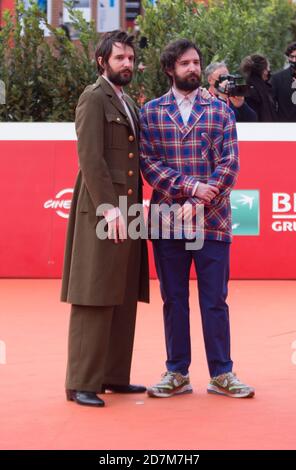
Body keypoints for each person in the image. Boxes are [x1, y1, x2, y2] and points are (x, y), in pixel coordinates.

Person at [140, 39, 254, 399]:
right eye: (185, 63)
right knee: (173, 299)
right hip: (167, 221)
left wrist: (205, 197)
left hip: (214, 220)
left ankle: (222, 373)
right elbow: (149, 164)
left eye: (196, 62)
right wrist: (191, 188)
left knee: (215, 300)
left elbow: (230, 164)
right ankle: (176, 372)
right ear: (169, 69)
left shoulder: (220, 111)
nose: (192, 68)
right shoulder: (152, 112)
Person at [61, 30, 149, 407]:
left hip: (129, 209)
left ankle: (113, 376)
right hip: (104, 209)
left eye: (130, 58)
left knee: (123, 292)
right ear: (102, 61)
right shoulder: (94, 97)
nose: (127, 64)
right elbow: (90, 158)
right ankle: (81, 381)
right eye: (119, 58)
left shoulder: (126, 100)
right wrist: (108, 208)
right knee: (94, 292)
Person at [240, 53, 277, 122]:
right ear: (264, 71)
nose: (269, 71)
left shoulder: (246, 89)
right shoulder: (264, 89)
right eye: (268, 68)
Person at [271, 41, 296, 122]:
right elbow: (270, 106)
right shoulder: (277, 78)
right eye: (292, 57)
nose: (294, 60)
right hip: (285, 128)